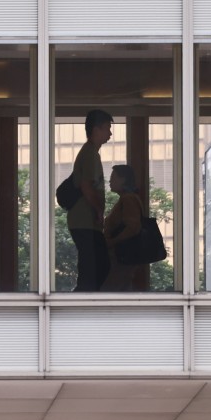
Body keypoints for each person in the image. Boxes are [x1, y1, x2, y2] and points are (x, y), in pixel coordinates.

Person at [67, 109, 113, 292]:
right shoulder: (89, 154)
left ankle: (85, 299)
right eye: (107, 128)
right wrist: (99, 210)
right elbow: (87, 186)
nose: (109, 133)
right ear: (96, 129)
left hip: (85, 222)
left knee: (94, 266)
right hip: (84, 221)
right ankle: (82, 302)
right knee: (94, 267)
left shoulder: (91, 153)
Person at [102, 165, 145, 292]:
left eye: (113, 177)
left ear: (124, 179)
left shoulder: (128, 199)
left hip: (122, 256)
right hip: (122, 256)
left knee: (111, 292)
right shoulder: (126, 199)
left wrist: (112, 242)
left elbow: (133, 227)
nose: (110, 181)